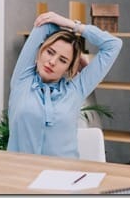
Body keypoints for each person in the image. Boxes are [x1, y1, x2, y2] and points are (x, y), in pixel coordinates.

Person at [7, 12, 122, 159]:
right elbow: (44, 25)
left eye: (63, 60)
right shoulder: (23, 79)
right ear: (40, 52)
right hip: (19, 174)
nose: (52, 62)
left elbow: (113, 45)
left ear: (69, 68)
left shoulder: (76, 90)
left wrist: (73, 25)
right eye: (50, 52)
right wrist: (69, 41)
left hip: (63, 175)